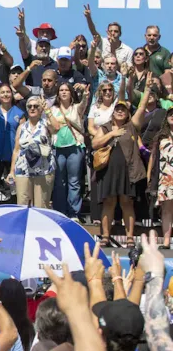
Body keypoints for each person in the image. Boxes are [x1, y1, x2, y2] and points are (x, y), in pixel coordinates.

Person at [92, 81, 151, 248]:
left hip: (128, 171)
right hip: (108, 170)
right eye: (117, 109)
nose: (119, 111)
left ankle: (130, 237)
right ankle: (105, 236)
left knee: (127, 202)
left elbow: (141, 107)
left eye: (123, 109)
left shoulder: (132, 126)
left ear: (127, 113)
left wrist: (147, 90)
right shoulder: (105, 127)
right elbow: (95, 144)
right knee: (109, 203)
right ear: (113, 112)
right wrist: (112, 133)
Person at [7, 96, 57, 208]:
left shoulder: (45, 124)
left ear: (40, 109)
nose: (32, 108)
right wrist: (11, 171)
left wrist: (47, 111)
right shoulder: (21, 127)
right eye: (30, 106)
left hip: (43, 170)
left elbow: (56, 128)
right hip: (23, 169)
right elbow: (16, 150)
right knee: (22, 204)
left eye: (36, 106)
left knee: (41, 206)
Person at [50, 83, 89, 219]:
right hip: (58, 148)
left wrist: (85, 96)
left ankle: (73, 213)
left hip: (75, 146)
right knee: (59, 182)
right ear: (58, 93)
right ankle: (60, 212)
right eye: (61, 90)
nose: (64, 92)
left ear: (71, 93)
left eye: (67, 90)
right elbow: (50, 127)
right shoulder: (52, 109)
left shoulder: (76, 108)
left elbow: (84, 104)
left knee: (74, 181)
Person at [148, 108, 173, 248]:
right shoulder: (161, 136)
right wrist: (150, 177)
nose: (172, 116)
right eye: (170, 114)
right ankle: (166, 241)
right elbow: (153, 158)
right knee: (166, 210)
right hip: (166, 178)